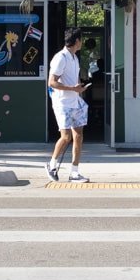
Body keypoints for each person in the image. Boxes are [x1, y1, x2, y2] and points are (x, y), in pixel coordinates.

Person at [45, 28, 90, 183]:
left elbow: (72, 79)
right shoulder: (61, 57)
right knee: (66, 137)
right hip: (62, 103)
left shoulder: (74, 58)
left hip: (75, 101)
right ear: (77, 41)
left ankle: (75, 173)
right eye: (81, 39)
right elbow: (51, 82)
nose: (82, 42)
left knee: (78, 136)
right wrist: (73, 89)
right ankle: (51, 165)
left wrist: (78, 86)